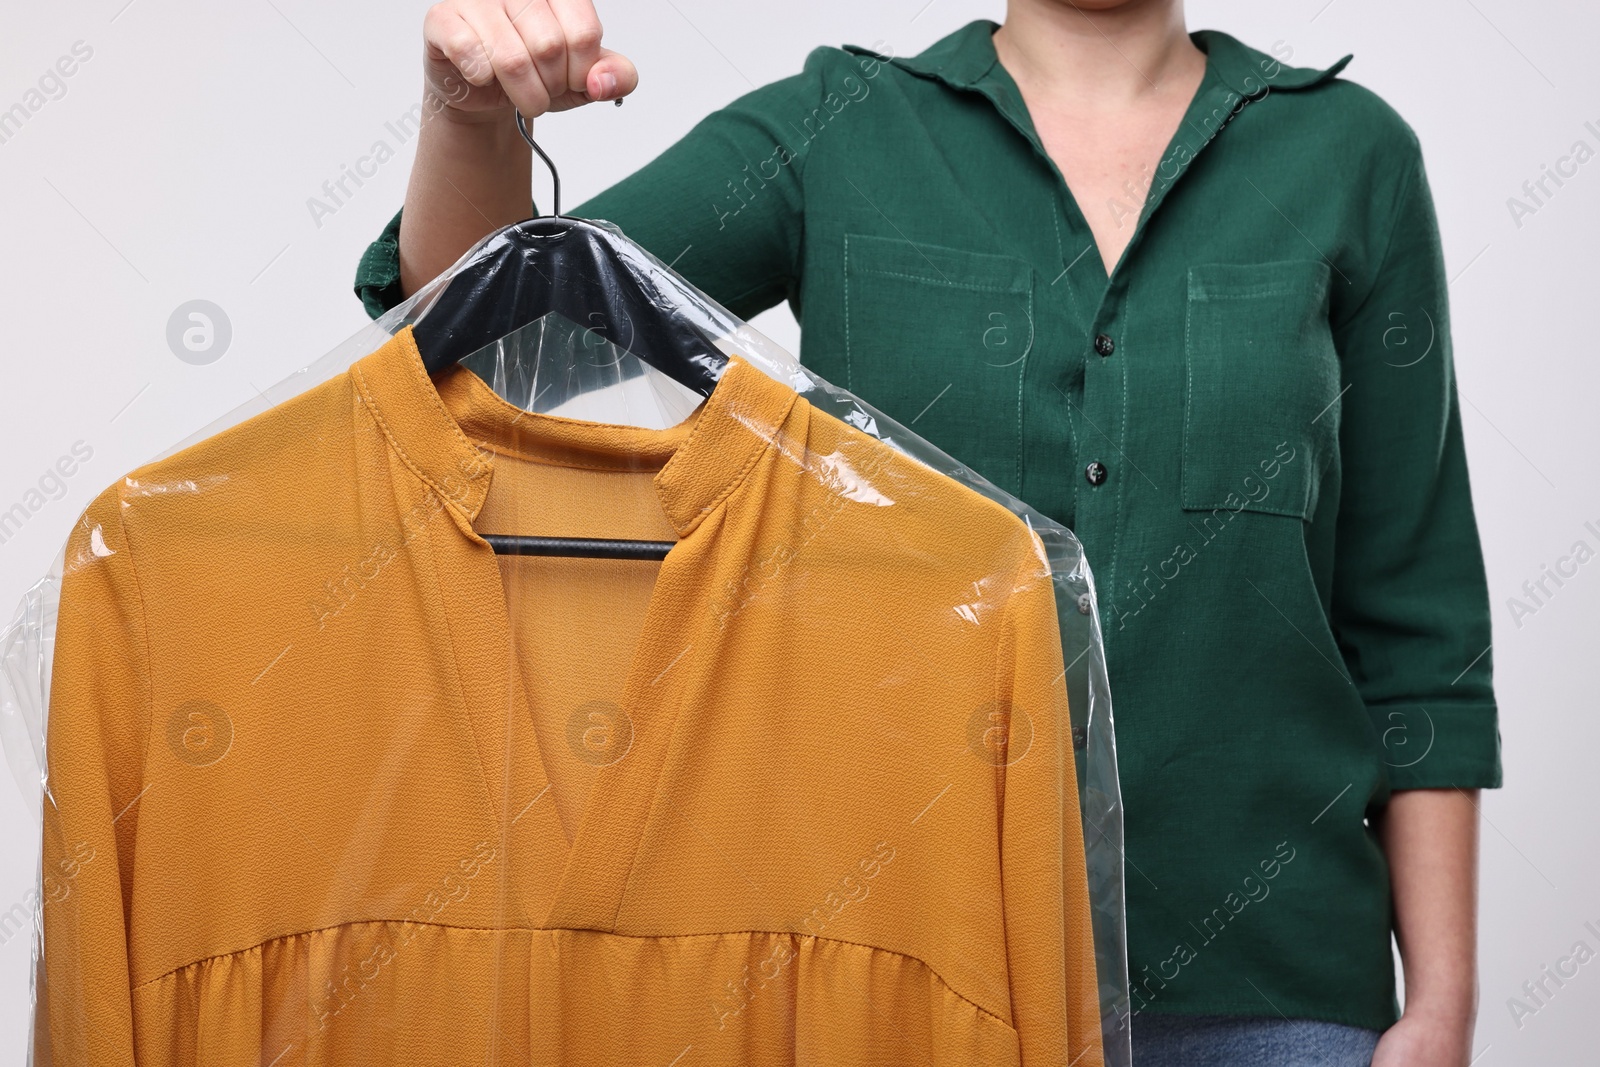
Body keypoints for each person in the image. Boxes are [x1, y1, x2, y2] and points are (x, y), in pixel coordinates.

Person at [353, 2, 1501, 1064]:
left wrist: (1440, 1002)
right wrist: (469, 119)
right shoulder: (837, 130)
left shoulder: (1351, 156)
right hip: (900, 964)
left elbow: (1412, 612)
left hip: (1265, 992)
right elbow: (481, 335)